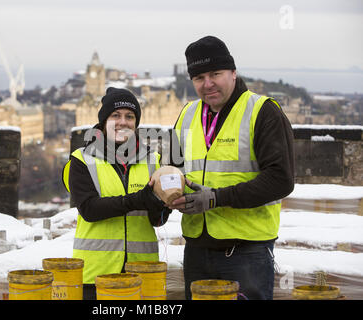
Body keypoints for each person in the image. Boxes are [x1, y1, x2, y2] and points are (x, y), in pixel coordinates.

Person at [169, 36, 295, 300]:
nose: (208, 83)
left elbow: (281, 180)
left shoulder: (262, 111)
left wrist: (217, 198)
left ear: (233, 73)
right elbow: (171, 168)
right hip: (196, 249)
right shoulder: (187, 114)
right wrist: (164, 190)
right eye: (199, 77)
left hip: (246, 252)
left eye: (216, 73)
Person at [63, 87, 170, 300]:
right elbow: (89, 210)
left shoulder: (153, 160)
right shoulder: (82, 160)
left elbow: (157, 221)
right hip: (95, 275)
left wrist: (163, 203)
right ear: (104, 121)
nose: (123, 122)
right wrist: (138, 200)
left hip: (143, 272)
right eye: (115, 115)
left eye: (130, 116)